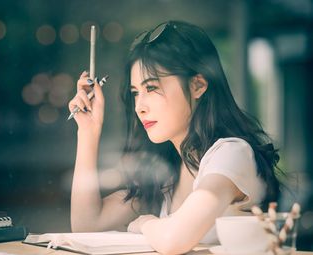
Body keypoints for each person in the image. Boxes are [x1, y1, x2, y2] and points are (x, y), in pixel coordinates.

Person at [68, 20, 281, 254]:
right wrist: (88, 131)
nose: (140, 106)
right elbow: (86, 224)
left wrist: (145, 223)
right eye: (135, 93)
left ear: (197, 85)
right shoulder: (168, 171)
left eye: (151, 88)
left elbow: (173, 241)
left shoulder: (230, 154)